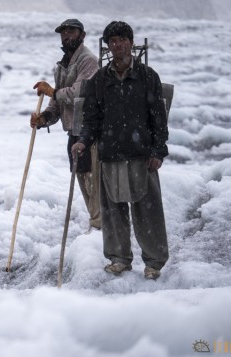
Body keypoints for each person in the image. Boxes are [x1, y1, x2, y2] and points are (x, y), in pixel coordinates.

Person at [71, 21, 169, 280]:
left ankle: (154, 262)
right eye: (113, 41)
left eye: (122, 40)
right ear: (108, 46)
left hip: (141, 154)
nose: (118, 45)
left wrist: (158, 151)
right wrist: (83, 140)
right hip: (111, 154)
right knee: (113, 210)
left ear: (131, 42)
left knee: (147, 210)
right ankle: (119, 259)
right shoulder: (100, 80)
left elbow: (158, 118)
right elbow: (92, 119)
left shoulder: (148, 76)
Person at [30, 18, 102, 231]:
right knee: (82, 180)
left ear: (82, 35)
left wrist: (51, 91)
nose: (66, 35)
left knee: (94, 183)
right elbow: (58, 104)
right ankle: (96, 227)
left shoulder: (88, 61)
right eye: (63, 32)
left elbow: (80, 94)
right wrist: (44, 118)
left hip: (91, 131)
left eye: (71, 31)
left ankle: (99, 230)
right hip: (73, 131)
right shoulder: (62, 66)